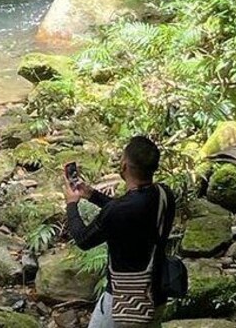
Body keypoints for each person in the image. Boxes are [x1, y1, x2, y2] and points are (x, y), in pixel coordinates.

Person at [64, 136, 176, 328]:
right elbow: (127, 213)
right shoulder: (165, 194)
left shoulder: (119, 211)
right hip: (157, 293)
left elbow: (83, 239)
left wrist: (71, 204)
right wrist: (91, 194)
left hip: (125, 299)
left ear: (124, 165)